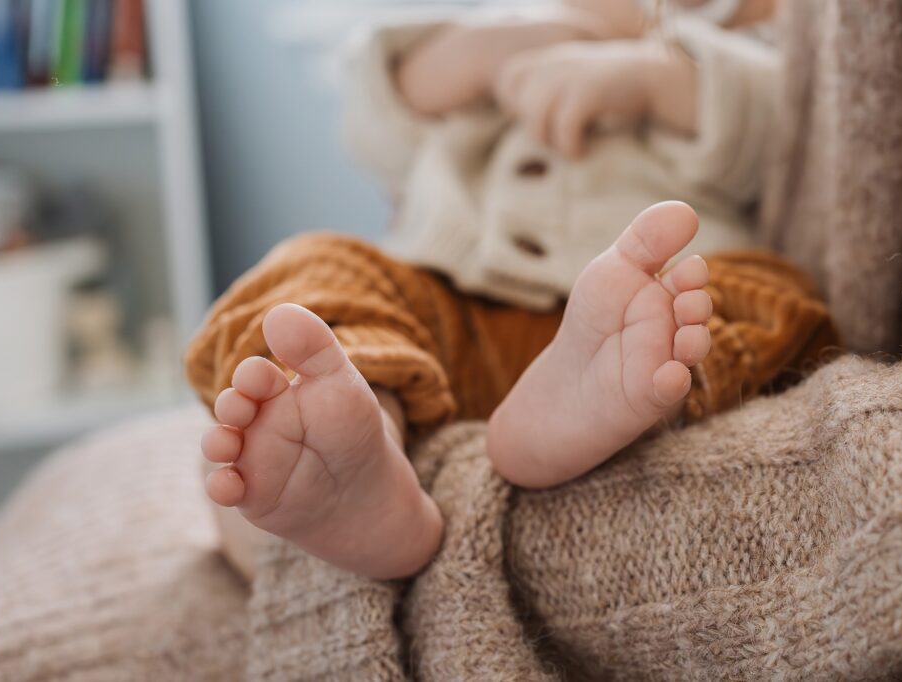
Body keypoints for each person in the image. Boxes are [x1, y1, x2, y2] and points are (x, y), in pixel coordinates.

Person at [185, 0, 833, 580]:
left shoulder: (771, 23)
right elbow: (375, 127)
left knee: (774, 301)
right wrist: (484, 50)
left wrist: (656, 78)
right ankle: (356, 440)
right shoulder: (516, 20)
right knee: (316, 269)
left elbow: (793, 140)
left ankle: (597, 411)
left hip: (636, 311)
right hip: (449, 305)